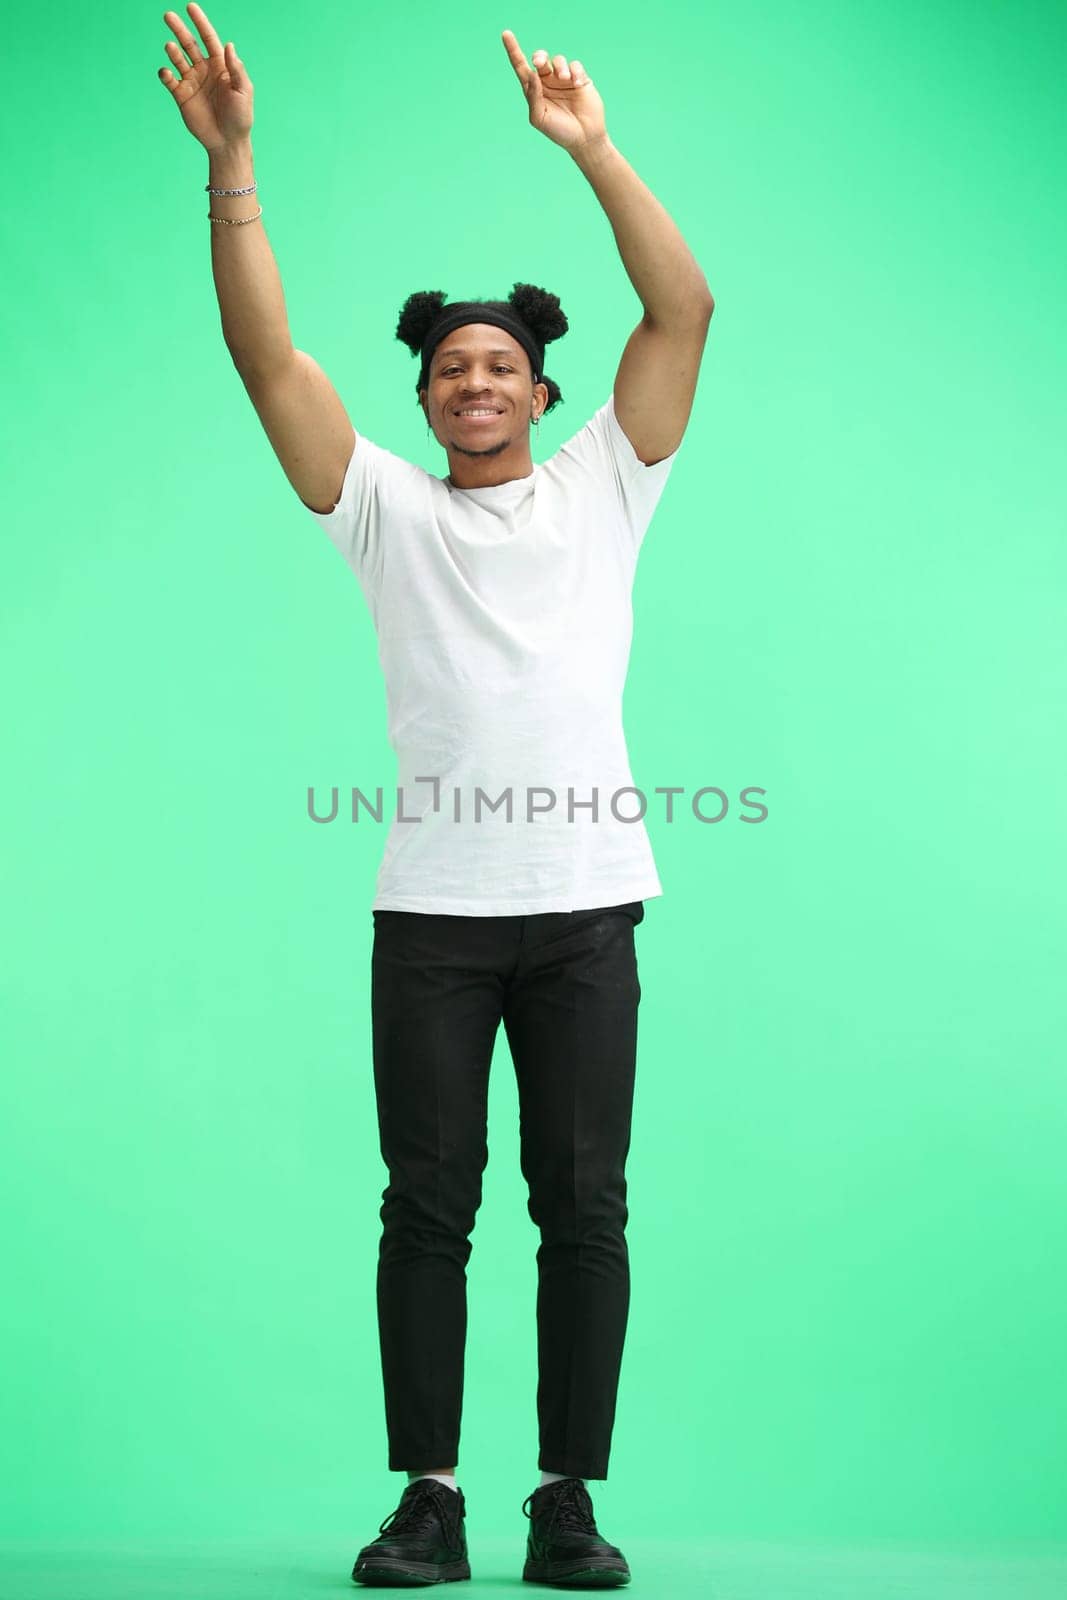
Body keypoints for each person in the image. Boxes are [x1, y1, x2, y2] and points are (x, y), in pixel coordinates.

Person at [159, 5, 714, 1586]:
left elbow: (684, 311)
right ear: (426, 401)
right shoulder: (384, 512)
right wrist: (234, 167)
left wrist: (591, 150)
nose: (478, 382)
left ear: (543, 392)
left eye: (504, 366)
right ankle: (431, 1497)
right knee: (427, 1209)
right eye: (451, 369)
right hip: (435, 919)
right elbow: (267, 357)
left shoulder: (610, 485)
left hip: (589, 915)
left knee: (586, 1209)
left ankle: (567, 1504)